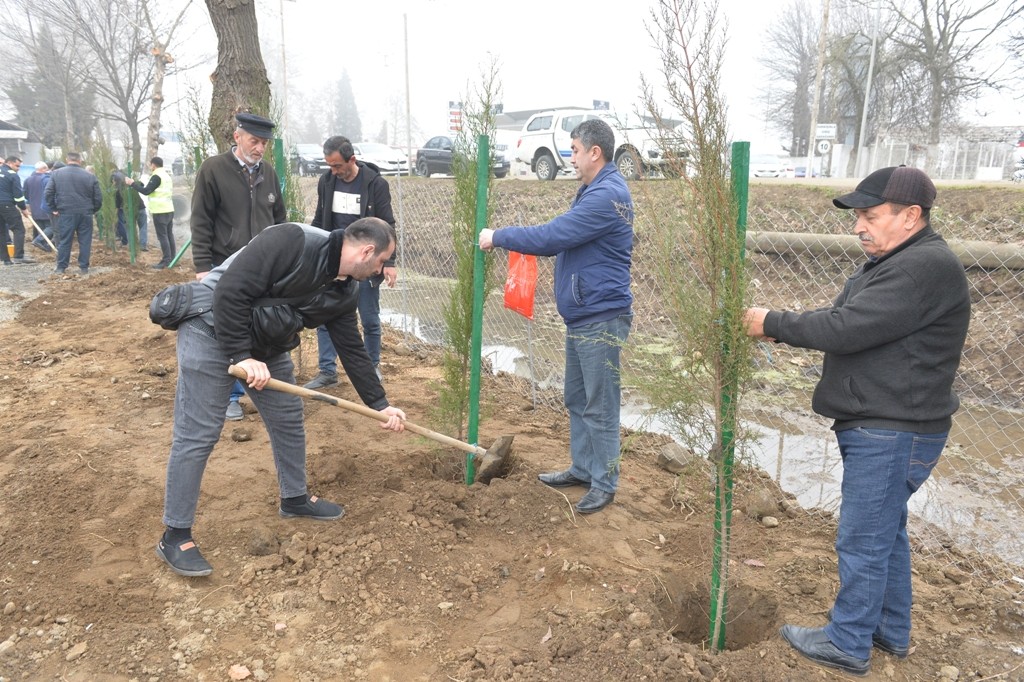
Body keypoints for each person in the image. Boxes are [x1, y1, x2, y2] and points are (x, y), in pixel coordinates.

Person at [741, 166, 971, 677]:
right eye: (858, 217)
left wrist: (771, 322)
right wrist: (789, 327)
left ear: (911, 216)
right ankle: (890, 630)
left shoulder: (920, 268)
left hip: (893, 430)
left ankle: (848, 643)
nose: (859, 226)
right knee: (885, 533)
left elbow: (847, 327)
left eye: (870, 216)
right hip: (888, 424)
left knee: (863, 537)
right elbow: (849, 318)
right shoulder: (897, 263)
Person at [155, 217, 406, 577]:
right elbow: (231, 292)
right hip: (211, 325)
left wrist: (380, 404)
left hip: (265, 341)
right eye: (383, 262)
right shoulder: (292, 241)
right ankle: (175, 534)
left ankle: (295, 498)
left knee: (288, 419)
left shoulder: (345, 289)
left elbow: (350, 347)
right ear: (367, 251)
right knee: (199, 433)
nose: (382, 271)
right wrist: (242, 355)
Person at [478, 118, 633, 515]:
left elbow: (552, 237)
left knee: (600, 403)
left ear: (594, 152)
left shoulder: (606, 194)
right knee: (578, 397)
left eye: (575, 149)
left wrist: (499, 236)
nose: (572, 156)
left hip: (600, 316)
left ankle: (604, 483)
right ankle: (583, 467)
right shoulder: (591, 190)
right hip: (583, 313)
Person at [191, 111, 287, 421]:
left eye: (264, 143)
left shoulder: (268, 173)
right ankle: (230, 396)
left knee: (260, 326)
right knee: (227, 328)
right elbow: (201, 220)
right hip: (225, 265)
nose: (259, 148)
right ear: (237, 137)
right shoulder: (213, 170)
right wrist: (203, 266)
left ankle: (257, 389)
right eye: (254, 141)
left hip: (264, 268)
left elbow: (280, 220)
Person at [304, 136, 397, 389]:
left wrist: (389, 261)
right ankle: (327, 371)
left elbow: (387, 224)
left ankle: (371, 368)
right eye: (329, 166)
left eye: (337, 166)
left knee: (368, 318)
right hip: (334, 259)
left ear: (352, 160)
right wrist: (312, 248)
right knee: (325, 315)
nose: (333, 171)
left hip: (366, 262)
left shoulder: (375, 184)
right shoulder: (327, 182)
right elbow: (320, 218)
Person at [45, 152, 103, 275]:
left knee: (65, 240)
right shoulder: (90, 176)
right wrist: (93, 210)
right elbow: (98, 197)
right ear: (80, 161)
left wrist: (54, 208)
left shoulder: (56, 174)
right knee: (85, 240)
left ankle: (61, 267)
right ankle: (83, 267)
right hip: (85, 212)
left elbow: (48, 193)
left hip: (66, 212)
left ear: (67, 159)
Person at [125, 156, 175, 269]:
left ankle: (166, 261)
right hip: (169, 209)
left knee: (163, 236)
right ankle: (172, 258)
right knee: (169, 235)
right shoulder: (167, 175)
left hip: (160, 211)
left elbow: (147, 191)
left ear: (153, 165)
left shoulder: (157, 176)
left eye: (150, 165)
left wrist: (132, 184)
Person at [0, 155, 32, 265]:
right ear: (9, 163)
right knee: (19, 229)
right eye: (17, 166)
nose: (18, 168)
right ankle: (19, 256)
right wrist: (23, 208)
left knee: (1, 232)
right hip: (7, 205)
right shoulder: (13, 175)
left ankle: (5, 259)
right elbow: (18, 195)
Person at [24, 161, 53, 253]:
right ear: (44, 169)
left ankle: (44, 248)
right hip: (46, 208)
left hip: (35, 209)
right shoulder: (47, 179)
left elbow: (26, 195)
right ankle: (39, 241)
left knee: (41, 229)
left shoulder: (28, 180)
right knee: (52, 227)